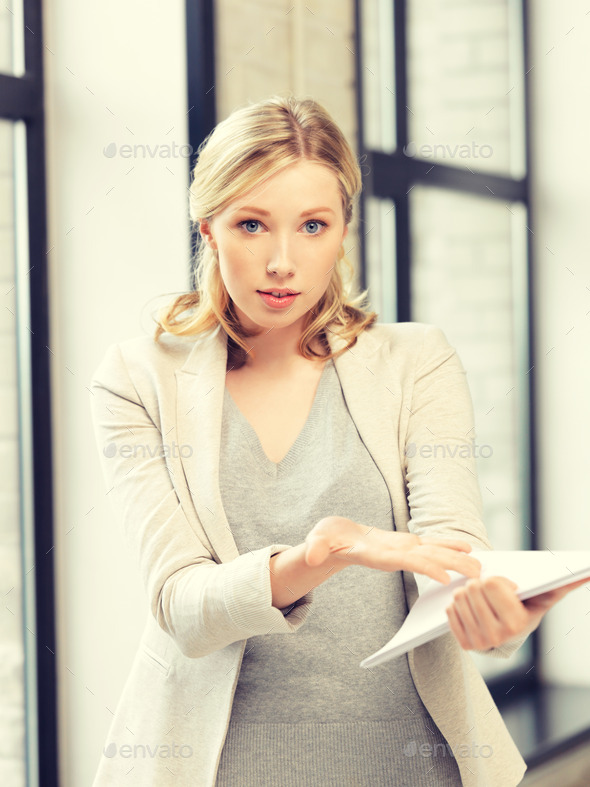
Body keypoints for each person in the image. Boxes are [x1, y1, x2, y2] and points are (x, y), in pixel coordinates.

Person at [89, 94, 587, 787]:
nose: (282, 262)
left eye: (313, 225)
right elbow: (183, 607)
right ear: (208, 227)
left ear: (344, 228)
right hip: (217, 765)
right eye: (252, 224)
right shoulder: (138, 378)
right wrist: (321, 555)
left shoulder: (418, 361)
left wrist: (492, 615)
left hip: (410, 760)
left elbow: (451, 550)